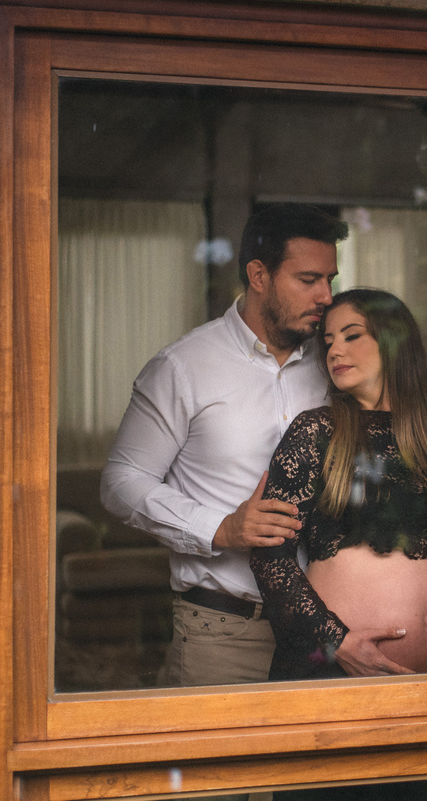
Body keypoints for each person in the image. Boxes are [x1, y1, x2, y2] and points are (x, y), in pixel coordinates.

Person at [100, 203, 347, 687]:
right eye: (308, 279)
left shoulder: (336, 364)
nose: (326, 296)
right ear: (259, 275)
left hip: (326, 634)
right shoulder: (182, 367)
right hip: (225, 635)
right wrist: (220, 528)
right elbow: (120, 482)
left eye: (330, 279)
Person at [250, 289, 427, 680]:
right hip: (331, 670)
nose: (335, 351)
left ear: (394, 343)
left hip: (425, 681)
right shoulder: (316, 432)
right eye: (328, 342)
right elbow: (269, 556)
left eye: (352, 335)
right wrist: (336, 643)